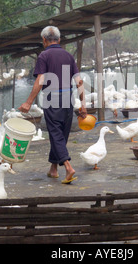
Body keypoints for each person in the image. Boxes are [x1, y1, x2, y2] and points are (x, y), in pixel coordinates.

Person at [18, 26, 87, 184]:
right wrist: (83, 105)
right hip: (68, 99)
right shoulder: (69, 56)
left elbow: (40, 80)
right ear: (59, 39)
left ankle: (68, 167)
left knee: (56, 134)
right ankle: (53, 169)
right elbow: (79, 82)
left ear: (44, 40)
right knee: (61, 135)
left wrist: (28, 102)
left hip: (52, 99)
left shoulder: (44, 55)